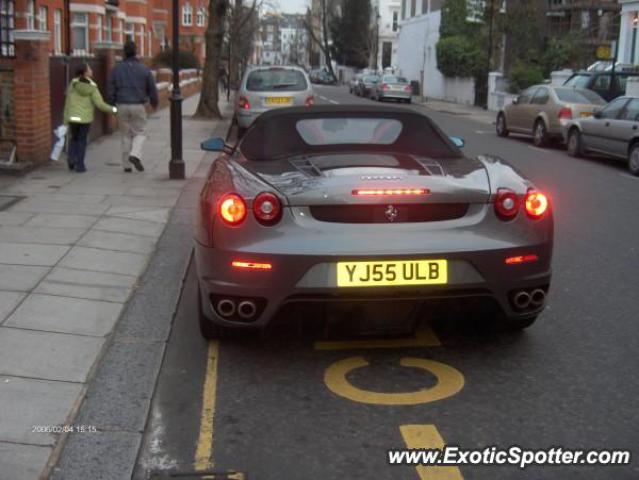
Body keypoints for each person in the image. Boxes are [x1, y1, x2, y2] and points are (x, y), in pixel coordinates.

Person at [107, 40, 158, 173]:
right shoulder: (144, 69)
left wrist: (112, 103)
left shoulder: (116, 69)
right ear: (136, 51)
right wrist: (154, 102)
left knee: (125, 134)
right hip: (138, 104)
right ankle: (135, 154)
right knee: (140, 133)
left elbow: (111, 87)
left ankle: (127, 165)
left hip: (121, 104)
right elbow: (152, 88)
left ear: (124, 52)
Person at [62, 64, 117, 173]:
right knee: (82, 140)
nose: (91, 70)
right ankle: (80, 165)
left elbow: (67, 102)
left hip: (73, 117)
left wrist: (65, 119)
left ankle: (72, 158)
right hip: (84, 119)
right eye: (89, 69)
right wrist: (114, 110)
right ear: (85, 72)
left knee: (74, 138)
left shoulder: (73, 84)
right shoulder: (92, 87)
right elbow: (100, 104)